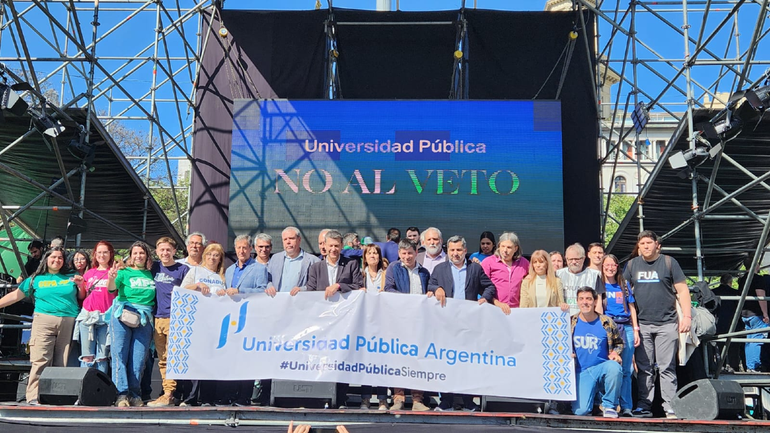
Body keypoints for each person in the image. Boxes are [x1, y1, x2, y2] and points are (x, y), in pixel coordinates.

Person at [0, 246, 84, 404]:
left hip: (68, 320)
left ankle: (57, 396)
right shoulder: (35, 279)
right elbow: (15, 296)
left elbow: (82, 295)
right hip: (43, 320)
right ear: (46, 259)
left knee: (62, 360)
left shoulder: (73, 276)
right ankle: (33, 396)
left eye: (60, 257)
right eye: (53, 257)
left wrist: (81, 284)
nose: (57, 260)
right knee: (40, 359)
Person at [623, 230, 691, 419]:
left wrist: (687, 317)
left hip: (667, 324)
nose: (645, 246)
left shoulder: (669, 262)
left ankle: (670, 406)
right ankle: (644, 406)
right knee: (644, 368)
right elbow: (623, 293)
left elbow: (683, 290)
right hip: (642, 325)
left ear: (657, 245)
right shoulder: (631, 265)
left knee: (666, 367)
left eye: (649, 243)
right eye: (642, 243)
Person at [427, 235, 496, 411]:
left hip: (469, 325)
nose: (455, 253)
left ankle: (468, 401)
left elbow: (489, 287)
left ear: (465, 250)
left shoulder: (475, 269)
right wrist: (437, 288)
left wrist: (485, 298)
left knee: (467, 363)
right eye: (452, 250)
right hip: (446, 324)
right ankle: (446, 401)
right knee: (446, 361)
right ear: (447, 251)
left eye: (459, 250)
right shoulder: (440, 269)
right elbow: (430, 285)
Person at [107, 241, 156, 407]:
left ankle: (134, 394)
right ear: (131, 255)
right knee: (119, 354)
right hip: (123, 315)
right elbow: (111, 289)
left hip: (145, 318)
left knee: (139, 358)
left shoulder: (152, 274)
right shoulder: (124, 272)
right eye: (135, 253)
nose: (138, 256)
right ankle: (121, 395)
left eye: (142, 253)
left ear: (147, 255)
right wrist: (111, 278)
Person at [384, 240, 430, 411]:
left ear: (416, 251)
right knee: (399, 358)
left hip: (419, 322)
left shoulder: (424, 272)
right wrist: (408, 301)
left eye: (410, 253)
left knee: (418, 359)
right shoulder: (394, 268)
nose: (407, 256)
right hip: (399, 321)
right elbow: (388, 289)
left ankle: (417, 399)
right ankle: (399, 398)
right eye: (403, 253)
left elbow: (428, 291)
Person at [147, 237, 190, 407]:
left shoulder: (183, 270)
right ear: (157, 252)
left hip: (176, 319)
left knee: (174, 358)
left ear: (174, 251)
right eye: (162, 250)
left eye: (168, 250)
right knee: (163, 358)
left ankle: (172, 393)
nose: (165, 253)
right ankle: (167, 393)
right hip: (158, 318)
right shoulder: (154, 268)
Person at [571, 287, 624, 418]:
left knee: (614, 368)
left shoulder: (606, 322)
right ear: (577, 302)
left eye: (589, 299)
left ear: (595, 301)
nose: (585, 302)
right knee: (581, 411)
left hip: (601, 368)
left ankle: (609, 405)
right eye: (581, 299)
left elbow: (618, 343)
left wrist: (616, 353)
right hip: (580, 372)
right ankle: (594, 400)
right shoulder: (570, 322)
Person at [601, 254, 639, 417]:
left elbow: (631, 307)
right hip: (609, 326)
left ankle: (626, 406)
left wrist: (636, 329)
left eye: (613, 265)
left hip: (626, 326)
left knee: (626, 369)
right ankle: (608, 404)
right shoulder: (600, 284)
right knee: (609, 367)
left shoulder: (624, 284)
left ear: (617, 267)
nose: (610, 268)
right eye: (606, 265)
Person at [76, 241, 117, 373]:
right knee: (86, 356)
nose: (102, 255)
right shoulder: (89, 273)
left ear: (111, 254)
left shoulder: (116, 273)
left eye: (105, 252)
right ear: (95, 254)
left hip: (106, 318)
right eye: (99, 252)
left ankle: (101, 389)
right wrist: (80, 285)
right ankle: (85, 388)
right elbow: (82, 296)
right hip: (88, 316)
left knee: (102, 357)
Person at [359, 243, 388, 410]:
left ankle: (383, 399)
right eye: (369, 253)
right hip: (364, 324)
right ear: (365, 257)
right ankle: (365, 399)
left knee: (381, 362)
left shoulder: (385, 274)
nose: (372, 256)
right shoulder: (360, 275)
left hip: (382, 323)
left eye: (375, 253)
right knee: (366, 363)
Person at [481, 232, 529, 314]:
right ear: (499, 246)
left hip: (517, 311)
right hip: (494, 310)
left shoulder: (524, 263)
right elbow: (481, 287)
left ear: (516, 248)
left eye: (509, 247)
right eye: (503, 246)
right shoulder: (488, 262)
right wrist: (497, 303)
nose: (505, 250)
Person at [306, 230, 364, 298]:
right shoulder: (315, 268)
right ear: (325, 245)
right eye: (330, 245)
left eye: (336, 245)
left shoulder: (351, 264)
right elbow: (310, 291)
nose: (333, 249)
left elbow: (359, 286)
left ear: (341, 246)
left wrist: (339, 286)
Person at [266, 227, 320, 296]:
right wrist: (270, 286)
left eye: (291, 238)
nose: (288, 242)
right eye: (285, 239)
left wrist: (303, 289)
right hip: (278, 302)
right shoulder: (275, 258)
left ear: (299, 240)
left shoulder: (313, 261)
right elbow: (267, 279)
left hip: (300, 304)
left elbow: (316, 285)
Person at [556, 243, 603, 316]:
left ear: (583, 258)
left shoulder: (594, 275)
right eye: (570, 259)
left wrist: (600, 321)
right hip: (563, 318)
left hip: (587, 319)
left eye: (577, 259)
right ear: (566, 258)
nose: (574, 262)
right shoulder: (558, 274)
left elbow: (598, 301)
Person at [737, 267, 769, 372]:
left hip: (745, 314)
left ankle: (750, 366)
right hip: (756, 314)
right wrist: (765, 314)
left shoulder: (742, 279)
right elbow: (761, 296)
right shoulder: (757, 279)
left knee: (749, 340)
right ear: (756, 265)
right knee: (757, 340)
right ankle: (754, 366)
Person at [711, 274, 744, 372]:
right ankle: (734, 366)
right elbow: (740, 310)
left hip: (718, 323)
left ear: (721, 281)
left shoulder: (713, 292)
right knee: (733, 347)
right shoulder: (736, 293)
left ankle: (721, 366)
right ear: (730, 282)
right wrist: (742, 325)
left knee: (719, 347)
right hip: (733, 324)